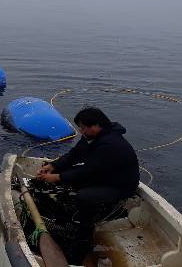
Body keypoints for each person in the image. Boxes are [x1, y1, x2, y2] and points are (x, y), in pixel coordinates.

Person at [35, 107, 140, 262]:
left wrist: (57, 177)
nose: (81, 131)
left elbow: (88, 171)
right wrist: (54, 166)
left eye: (83, 128)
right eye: (80, 128)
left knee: (84, 196)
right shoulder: (93, 137)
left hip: (120, 186)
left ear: (96, 125)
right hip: (106, 176)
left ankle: (85, 229)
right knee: (72, 174)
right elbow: (75, 154)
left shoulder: (109, 144)